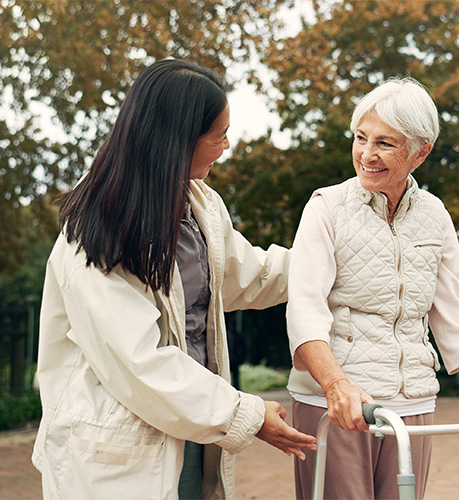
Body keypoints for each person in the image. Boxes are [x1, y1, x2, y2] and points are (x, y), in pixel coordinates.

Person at [32, 59, 316, 500]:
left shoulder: (197, 203)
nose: (226, 146)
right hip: (121, 450)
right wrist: (248, 414)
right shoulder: (94, 229)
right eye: (218, 135)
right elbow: (138, 360)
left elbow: (248, 276)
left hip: (194, 429)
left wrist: (333, 260)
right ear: (179, 139)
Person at [286, 76, 459, 500]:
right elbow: (305, 311)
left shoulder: (435, 216)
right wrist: (336, 387)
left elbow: (453, 320)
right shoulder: (325, 207)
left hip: (414, 403)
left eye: (385, 143)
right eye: (361, 138)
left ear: (420, 152)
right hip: (342, 407)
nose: (367, 154)